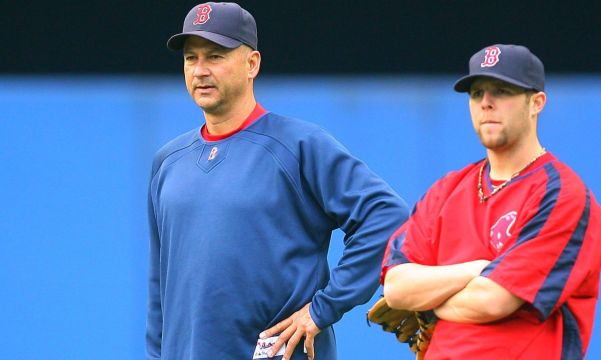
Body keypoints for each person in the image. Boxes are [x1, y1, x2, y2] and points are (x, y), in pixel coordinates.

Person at [145, 2, 408, 360]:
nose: (200, 70)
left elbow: (385, 216)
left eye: (216, 55)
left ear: (252, 63)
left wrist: (322, 309)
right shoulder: (168, 162)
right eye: (191, 58)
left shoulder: (297, 145)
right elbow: (161, 287)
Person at [381, 44, 601, 359]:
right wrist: (477, 269)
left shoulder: (562, 196)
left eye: (502, 91)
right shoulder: (445, 191)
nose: (486, 103)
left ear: (536, 102)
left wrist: (430, 304)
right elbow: (396, 288)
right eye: (476, 94)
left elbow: (492, 301)